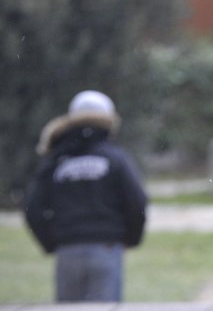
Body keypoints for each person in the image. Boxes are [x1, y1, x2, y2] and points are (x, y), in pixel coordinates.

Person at [24, 90, 148, 302]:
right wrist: (130, 239)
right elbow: (137, 201)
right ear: (109, 122)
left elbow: (32, 207)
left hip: (67, 250)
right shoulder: (115, 158)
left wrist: (52, 241)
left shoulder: (56, 160)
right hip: (107, 248)